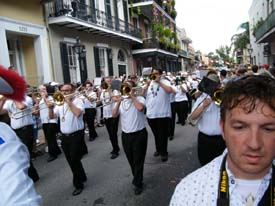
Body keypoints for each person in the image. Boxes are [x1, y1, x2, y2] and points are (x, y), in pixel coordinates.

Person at [170, 75, 275, 206]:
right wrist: (205, 105)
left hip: (221, 141)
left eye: (268, 129)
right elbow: (191, 120)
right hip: (206, 140)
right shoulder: (189, 192)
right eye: (240, 127)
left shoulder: (226, 97)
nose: (254, 144)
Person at [0, 65, 42, 205]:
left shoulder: (25, 99)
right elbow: (2, 112)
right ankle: (32, 174)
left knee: (25, 155)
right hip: (16, 128)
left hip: (26, 128)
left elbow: (21, 107)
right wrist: (4, 99)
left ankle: (32, 176)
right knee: (26, 156)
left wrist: (12, 95)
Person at [48, 83, 87, 196]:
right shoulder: (59, 103)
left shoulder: (78, 101)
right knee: (71, 160)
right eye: (63, 91)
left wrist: (68, 102)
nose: (64, 93)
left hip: (76, 135)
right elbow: (52, 117)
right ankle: (82, 176)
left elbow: (78, 113)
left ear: (73, 91)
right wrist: (50, 109)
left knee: (74, 159)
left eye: (67, 90)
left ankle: (78, 184)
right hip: (64, 136)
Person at [112, 80, 148, 195]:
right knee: (131, 159)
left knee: (138, 159)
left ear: (133, 89)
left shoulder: (140, 99)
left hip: (139, 134)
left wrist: (132, 96)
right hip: (125, 135)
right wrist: (118, 102)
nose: (125, 89)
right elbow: (113, 115)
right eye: (124, 87)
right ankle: (137, 177)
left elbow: (140, 108)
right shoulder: (121, 101)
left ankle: (138, 183)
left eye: (128, 87)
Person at [188, 74, 226, 166]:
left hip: (222, 139)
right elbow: (192, 117)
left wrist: (222, 102)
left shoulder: (225, 97)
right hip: (205, 139)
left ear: (219, 85)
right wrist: (203, 106)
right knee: (205, 164)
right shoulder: (202, 98)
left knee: (222, 167)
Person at [144, 68, 175, 162]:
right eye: (153, 74)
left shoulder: (166, 82)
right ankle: (158, 149)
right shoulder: (149, 84)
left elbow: (170, 91)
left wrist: (159, 82)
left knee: (163, 134)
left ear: (161, 74)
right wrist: (146, 85)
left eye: (156, 74)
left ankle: (164, 152)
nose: (154, 75)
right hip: (151, 113)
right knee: (156, 134)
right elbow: (142, 94)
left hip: (163, 113)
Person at [100, 77, 120, 159]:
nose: (108, 83)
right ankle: (115, 147)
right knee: (110, 134)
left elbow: (116, 100)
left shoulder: (114, 91)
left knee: (113, 133)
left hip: (113, 115)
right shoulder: (102, 92)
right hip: (106, 115)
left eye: (109, 82)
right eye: (107, 82)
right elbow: (102, 101)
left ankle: (116, 150)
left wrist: (109, 90)